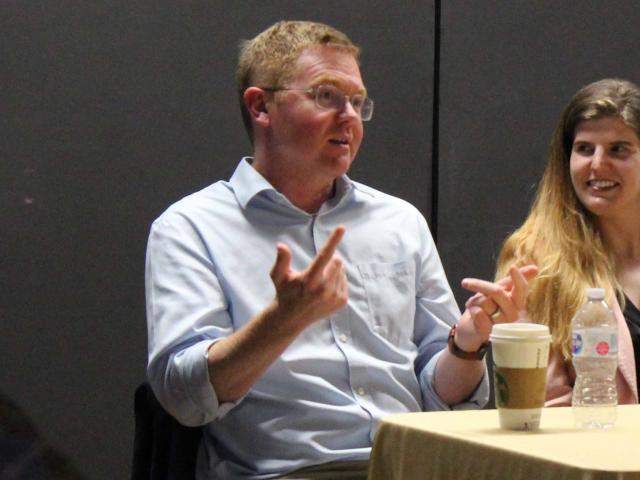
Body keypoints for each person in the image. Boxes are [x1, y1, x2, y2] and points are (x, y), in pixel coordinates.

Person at [145, 20, 535, 479]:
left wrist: (467, 344)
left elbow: (440, 395)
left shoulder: (399, 222)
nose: (349, 116)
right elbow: (184, 399)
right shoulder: (191, 227)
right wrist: (282, 320)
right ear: (261, 106)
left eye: (357, 101)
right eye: (326, 96)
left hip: (413, 466)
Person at [495, 78, 640, 407]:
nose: (598, 164)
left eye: (618, 149)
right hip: (595, 453)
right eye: (585, 149)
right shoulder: (534, 259)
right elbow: (536, 404)